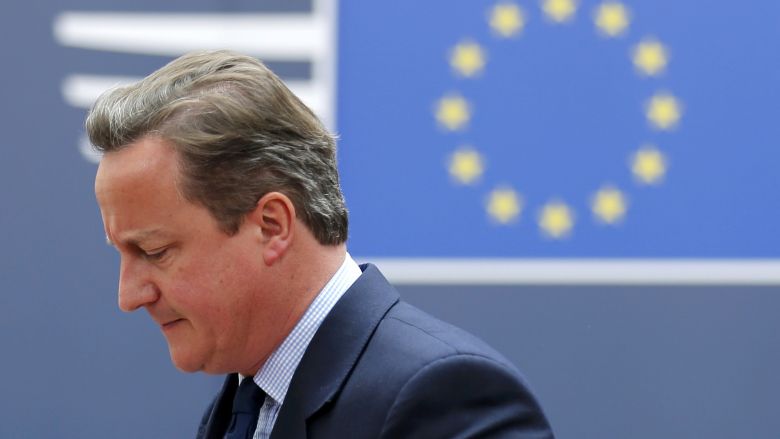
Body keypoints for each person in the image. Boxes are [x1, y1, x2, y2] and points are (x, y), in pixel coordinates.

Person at [90, 50, 553, 439]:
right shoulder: (235, 412)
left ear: (272, 226)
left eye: (154, 252)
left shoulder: (443, 397)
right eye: (121, 254)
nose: (129, 296)